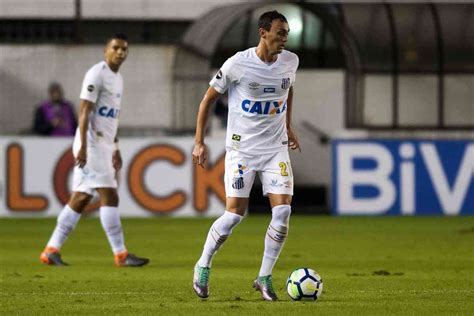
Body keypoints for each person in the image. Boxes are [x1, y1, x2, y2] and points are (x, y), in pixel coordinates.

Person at [192, 11, 300, 301]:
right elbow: (207, 100)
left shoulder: (291, 61)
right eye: (280, 32)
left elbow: (287, 90)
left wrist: (288, 126)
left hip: (275, 148)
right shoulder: (238, 64)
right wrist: (199, 142)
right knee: (234, 215)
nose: (284, 38)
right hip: (242, 150)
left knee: (283, 211)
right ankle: (203, 264)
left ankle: (264, 276)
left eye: (287, 33)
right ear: (263, 32)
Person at [40, 33, 149, 267]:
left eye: (124, 49)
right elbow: (84, 111)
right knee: (110, 194)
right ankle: (120, 254)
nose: (121, 52)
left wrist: (116, 146)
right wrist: (83, 146)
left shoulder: (117, 78)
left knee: (80, 198)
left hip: (104, 144)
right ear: (105, 50)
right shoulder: (96, 74)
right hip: (92, 143)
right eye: (116, 48)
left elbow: (111, 118)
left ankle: (51, 250)